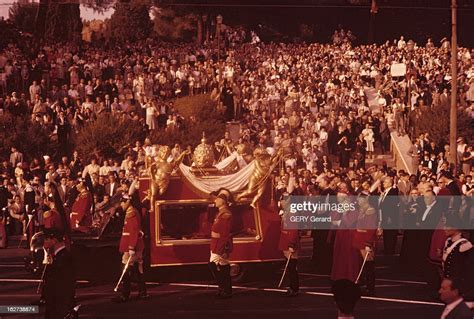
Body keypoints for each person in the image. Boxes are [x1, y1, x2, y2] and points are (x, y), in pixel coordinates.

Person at [112, 194, 147, 303]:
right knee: (138, 269)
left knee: (125, 269)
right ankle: (142, 292)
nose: (121, 205)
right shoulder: (130, 212)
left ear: (127, 202)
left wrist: (131, 246)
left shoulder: (131, 213)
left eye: (122, 202)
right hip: (135, 246)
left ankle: (125, 294)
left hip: (132, 247)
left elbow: (134, 231)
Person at [42, 227, 75, 319]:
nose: (44, 241)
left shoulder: (63, 258)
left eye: (47, 239)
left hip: (59, 305)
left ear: (54, 240)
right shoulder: (59, 256)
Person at [208, 188, 234, 299]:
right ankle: (224, 288)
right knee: (221, 266)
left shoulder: (226, 214)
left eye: (217, 199)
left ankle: (225, 289)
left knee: (218, 266)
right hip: (216, 244)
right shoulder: (220, 213)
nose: (215, 201)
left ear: (223, 201)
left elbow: (225, 234)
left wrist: (224, 249)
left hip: (220, 245)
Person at [353, 194, 377, 295]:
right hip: (359, 239)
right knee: (362, 264)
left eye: (360, 200)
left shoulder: (370, 211)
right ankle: (364, 284)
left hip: (365, 240)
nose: (358, 201)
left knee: (368, 265)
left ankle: (370, 287)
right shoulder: (362, 209)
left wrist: (368, 243)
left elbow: (371, 228)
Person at [278, 193, 300, 296]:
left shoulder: (291, 214)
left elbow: (293, 231)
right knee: (290, 267)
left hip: (290, 244)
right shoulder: (287, 213)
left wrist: (291, 244)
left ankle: (294, 288)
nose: (281, 202)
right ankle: (292, 286)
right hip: (286, 242)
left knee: (292, 268)